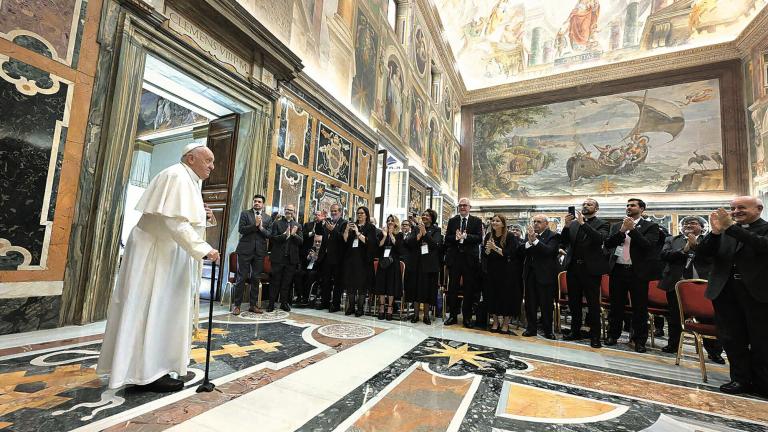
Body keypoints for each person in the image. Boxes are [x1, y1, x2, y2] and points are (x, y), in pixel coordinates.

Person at [97, 143, 220, 392]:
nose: (212, 167)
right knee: (150, 308)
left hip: (168, 254)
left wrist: (202, 217)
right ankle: (147, 372)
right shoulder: (176, 175)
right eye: (208, 160)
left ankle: (157, 367)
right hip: (154, 255)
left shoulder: (188, 180)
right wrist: (204, 248)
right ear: (191, 158)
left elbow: (182, 219)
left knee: (163, 310)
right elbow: (174, 222)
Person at [698, 196, 768, 396]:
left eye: (741, 207)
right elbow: (703, 254)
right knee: (732, 338)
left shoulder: (763, 228)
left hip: (757, 292)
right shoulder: (726, 231)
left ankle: (763, 382)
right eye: (733, 208)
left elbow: (762, 245)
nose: (736, 211)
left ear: (759, 209)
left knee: (761, 339)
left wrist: (731, 228)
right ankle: (739, 380)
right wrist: (715, 233)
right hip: (725, 291)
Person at [659, 216, 723, 363]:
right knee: (675, 317)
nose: (688, 225)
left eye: (693, 223)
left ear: (702, 227)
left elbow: (713, 259)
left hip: (704, 286)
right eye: (686, 223)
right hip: (676, 284)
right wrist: (685, 249)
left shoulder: (710, 239)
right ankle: (673, 345)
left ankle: (714, 352)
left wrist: (696, 247)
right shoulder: (673, 240)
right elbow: (664, 255)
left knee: (708, 318)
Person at [604, 198, 663, 353]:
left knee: (639, 308)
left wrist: (633, 230)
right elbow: (608, 244)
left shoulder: (651, 226)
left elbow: (648, 246)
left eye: (633, 205)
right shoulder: (617, 225)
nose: (629, 207)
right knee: (616, 306)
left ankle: (639, 340)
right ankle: (612, 335)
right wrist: (622, 231)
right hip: (618, 270)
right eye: (627, 205)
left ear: (642, 209)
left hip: (638, 272)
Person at [560, 198, 610, 348]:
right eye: (584, 204)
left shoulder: (603, 223)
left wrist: (583, 223)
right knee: (573, 302)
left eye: (590, 204)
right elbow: (564, 242)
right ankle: (575, 331)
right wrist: (567, 227)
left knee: (592, 303)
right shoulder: (574, 224)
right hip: (573, 268)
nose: (586, 206)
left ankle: (595, 336)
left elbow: (599, 239)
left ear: (596, 208)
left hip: (590, 270)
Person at [444, 197, 483, 327]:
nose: (462, 208)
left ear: (469, 207)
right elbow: (447, 239)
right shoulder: (452, 221)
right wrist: (455, 237)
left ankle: (467, 317)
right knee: (453, 288)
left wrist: (466, 236)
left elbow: (479, 238)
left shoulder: (476, 221)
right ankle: (453, 316)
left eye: (465, 205)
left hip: (469, 260)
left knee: (469, 290)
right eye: (460, 205)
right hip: (455, 259)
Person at [232, 194, 272, 315]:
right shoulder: (245, 213)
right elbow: (241, 229)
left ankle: (253, 305)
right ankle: (237, 305)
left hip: (259, 252)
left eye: (259, 202)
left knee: (256, 278)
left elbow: (269, 234)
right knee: (241, 277)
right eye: (255, 201)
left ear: (263, 204)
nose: (257, 203)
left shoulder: (267, 218)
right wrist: (254, 225)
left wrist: (260, 228)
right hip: (245, 250)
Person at [522, 214, 560, 339]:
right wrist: (529, 242)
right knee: (530, 303)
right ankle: (531, 328)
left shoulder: (553, 236)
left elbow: (548, 251)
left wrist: (535, 241)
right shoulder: (530, 235)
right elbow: (522, 251)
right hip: (530, 274)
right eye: (534, 222)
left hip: (546, 275)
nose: (536, 224)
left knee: (546, 305)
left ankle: (548, 330)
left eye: (539, 222)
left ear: (546, 224)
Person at [482, 214, 522, 334]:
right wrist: (488, 250)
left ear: (503, 224)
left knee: (506, 298)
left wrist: (495, 248)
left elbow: (510, 253)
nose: (494, 223)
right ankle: (495, 322)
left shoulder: (510, 236)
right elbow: (485, 254)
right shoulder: (489, 236)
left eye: (497, 221)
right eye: (493, 221)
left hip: (507, 271)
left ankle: (505, 324)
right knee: (492, 295)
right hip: (492, 270)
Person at [406, 209, 443, 324]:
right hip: (416, 263)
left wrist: (425, 234)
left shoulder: (436, 230)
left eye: (427, 215)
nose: (424, 216)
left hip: (429, 265)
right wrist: (418, 236)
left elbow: (435, 245)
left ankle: (426, 316)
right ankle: (416, 315)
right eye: (423, 215)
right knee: (415, 289)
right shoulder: (416, 228)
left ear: (432, 218)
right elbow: (408, 242)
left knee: (427, 290)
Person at [343, 206, 377, 316]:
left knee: (362, 285)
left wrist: (358, 233)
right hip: (351, 258)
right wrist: (347, 230)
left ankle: (360, 308)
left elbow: (370, 243)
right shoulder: (353, 225)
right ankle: (351, 307)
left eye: (362, 213)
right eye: (358, 213)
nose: (359, 215)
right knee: (351, 284)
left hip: (364, 260)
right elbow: (345, 240)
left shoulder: (370, 227)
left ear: (366, 215)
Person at [269, 205, 302, 312]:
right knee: (275, 282)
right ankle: (271, 304)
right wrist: (284, 235)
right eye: (287, 209)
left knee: (286, 283)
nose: (289, 212)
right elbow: (272, 239)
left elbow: (301, 241)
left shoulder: (297, 225)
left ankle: (284, 303)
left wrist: (293, 235)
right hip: (278, 258)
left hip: (291, 260)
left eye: (291, 210)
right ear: (284, 210)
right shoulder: (277, 223)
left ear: (294, 212)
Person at [317, 204, 347, 312]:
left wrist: (333, 230)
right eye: (332, 211)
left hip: (338, 258)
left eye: (335, 211)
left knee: (337, 283)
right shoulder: (328, 221)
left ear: (340, 212)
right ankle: (325, 302)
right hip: (325, 257)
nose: (333, 213)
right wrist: (320, 222)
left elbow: (344, 240)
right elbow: (318, 232)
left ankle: (335, 304)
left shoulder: (344, 223)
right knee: (326, 281)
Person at [374, 215, 404, 320]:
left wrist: (391, 235)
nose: (390, 222)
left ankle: (390, 307)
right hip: (383, 262)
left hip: (393, 263)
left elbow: (400, 248)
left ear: (396, 223)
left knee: (391, 285)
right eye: (388, 221)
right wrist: (384, 236)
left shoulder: (399, 234)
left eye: (392, 221)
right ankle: (382, 307)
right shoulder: (382, 233)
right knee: (381, 284)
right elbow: (378, 247)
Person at [298, 210, 326, 306]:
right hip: (307, 267)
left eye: (319, 242)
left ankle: (306, 298)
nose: (317, 243)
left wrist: (316, 257)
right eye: (316, 241)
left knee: (310, 275)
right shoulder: (311, 246)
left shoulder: (322, 250)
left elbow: (321, 262)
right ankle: (299, 296)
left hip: (317, 270)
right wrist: (308, 257)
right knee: (299, 274)